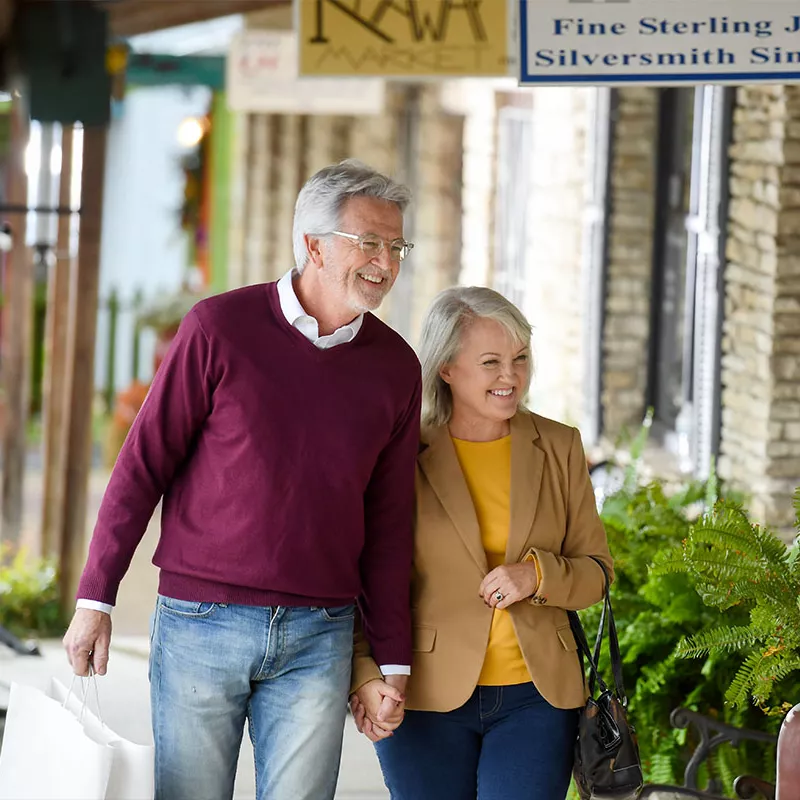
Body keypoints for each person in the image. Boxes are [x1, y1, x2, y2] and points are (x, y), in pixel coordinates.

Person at [62, 160, 422, 800]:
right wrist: (97, 597)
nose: (386, 262)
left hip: (320, 631)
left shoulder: (396, 367)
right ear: (313, 244)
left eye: (396, 246)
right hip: (201, 621)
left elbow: (392, 522)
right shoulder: (218, 329)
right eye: (369, 243)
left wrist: (389, 659)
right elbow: (142, 465)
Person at [350, 286, 613, 800]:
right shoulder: (399, 452)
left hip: (537, 697)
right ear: (446, 367)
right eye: (491, 361)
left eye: (519, 358)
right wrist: (364, 673)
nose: (510, 377)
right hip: (423, 695)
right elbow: (363, 579)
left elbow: (597, 572)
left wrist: (537, 576)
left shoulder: (559, 447)